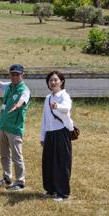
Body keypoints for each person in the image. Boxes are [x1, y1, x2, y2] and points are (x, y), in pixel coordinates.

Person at [0, 64, 31, 191]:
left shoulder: (24, 90)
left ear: (23, 75)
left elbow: (23, 99)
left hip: (14, 128)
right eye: (12, 74)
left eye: (17, 74)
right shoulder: (9, 86)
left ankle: (20, 182)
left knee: (16, 156)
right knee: (4, 154)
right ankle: (7, 178)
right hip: (2, 125)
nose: (14, 76)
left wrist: (17, 105)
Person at [40, 70, 73, 201]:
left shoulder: (64, 96)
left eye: (55, 80)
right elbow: (44, 119)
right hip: (49, 133)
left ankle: (62, 193)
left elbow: (67, 108)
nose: (53, 82)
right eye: (50, 80)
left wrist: (57, 106)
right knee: (48, 162)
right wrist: (42, 136)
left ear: (61, 82)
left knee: (61, 163)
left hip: (61, 132)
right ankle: (51, 190)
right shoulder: (47, 98)